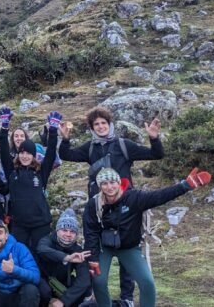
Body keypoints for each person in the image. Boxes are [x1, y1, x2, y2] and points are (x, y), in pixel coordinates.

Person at [59, 106, 165, 306]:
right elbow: (67, 155)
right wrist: (64, 139)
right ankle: (102, 298)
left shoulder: (123, 145)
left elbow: (156, 154)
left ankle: (127, 298)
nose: (100, 127)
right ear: (92, 128)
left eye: (103, 123)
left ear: (110, 124)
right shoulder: (90, 148)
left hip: (127, 207)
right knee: (100, 249)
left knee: (127, 249)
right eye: (96, 124)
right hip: (101, 210)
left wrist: (153, 137)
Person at [84, 167, 211, 307]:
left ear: (119, 182)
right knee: (98, 281)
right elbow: (90, 232)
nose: (109, 187)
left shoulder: (134, 197)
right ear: (100, 186)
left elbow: (159, 196)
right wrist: (93, 259)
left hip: (129, 247)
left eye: (112, 182)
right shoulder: (94, 204)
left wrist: (184, 186)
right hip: (104, 247)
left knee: (147, 282)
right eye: (105, 183)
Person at [0, 108, 59, 254]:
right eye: (22, 153)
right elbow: (4, 150)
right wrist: (4, 128)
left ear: (33, 156)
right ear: (18, 155)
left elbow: (50, 152)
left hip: (41, 223)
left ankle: (43, 277)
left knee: (42, 254)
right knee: (20, 254)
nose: (25, 156)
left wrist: (53, 130)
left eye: (28, 153)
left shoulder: (40, 172)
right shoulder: (12, 171)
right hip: (19, 224)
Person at [36, 209, 94, 307]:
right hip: (43, 280)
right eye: (64, 230)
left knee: (86, 287)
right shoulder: (47, 240)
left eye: (72, 231)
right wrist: (67, 258)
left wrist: (63, 301)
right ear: (57, 230)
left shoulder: (78, 250)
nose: (68, 234)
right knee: (44, 292)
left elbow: (84, 280)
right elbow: (41, 249)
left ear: (76, 234)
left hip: (62, 283)